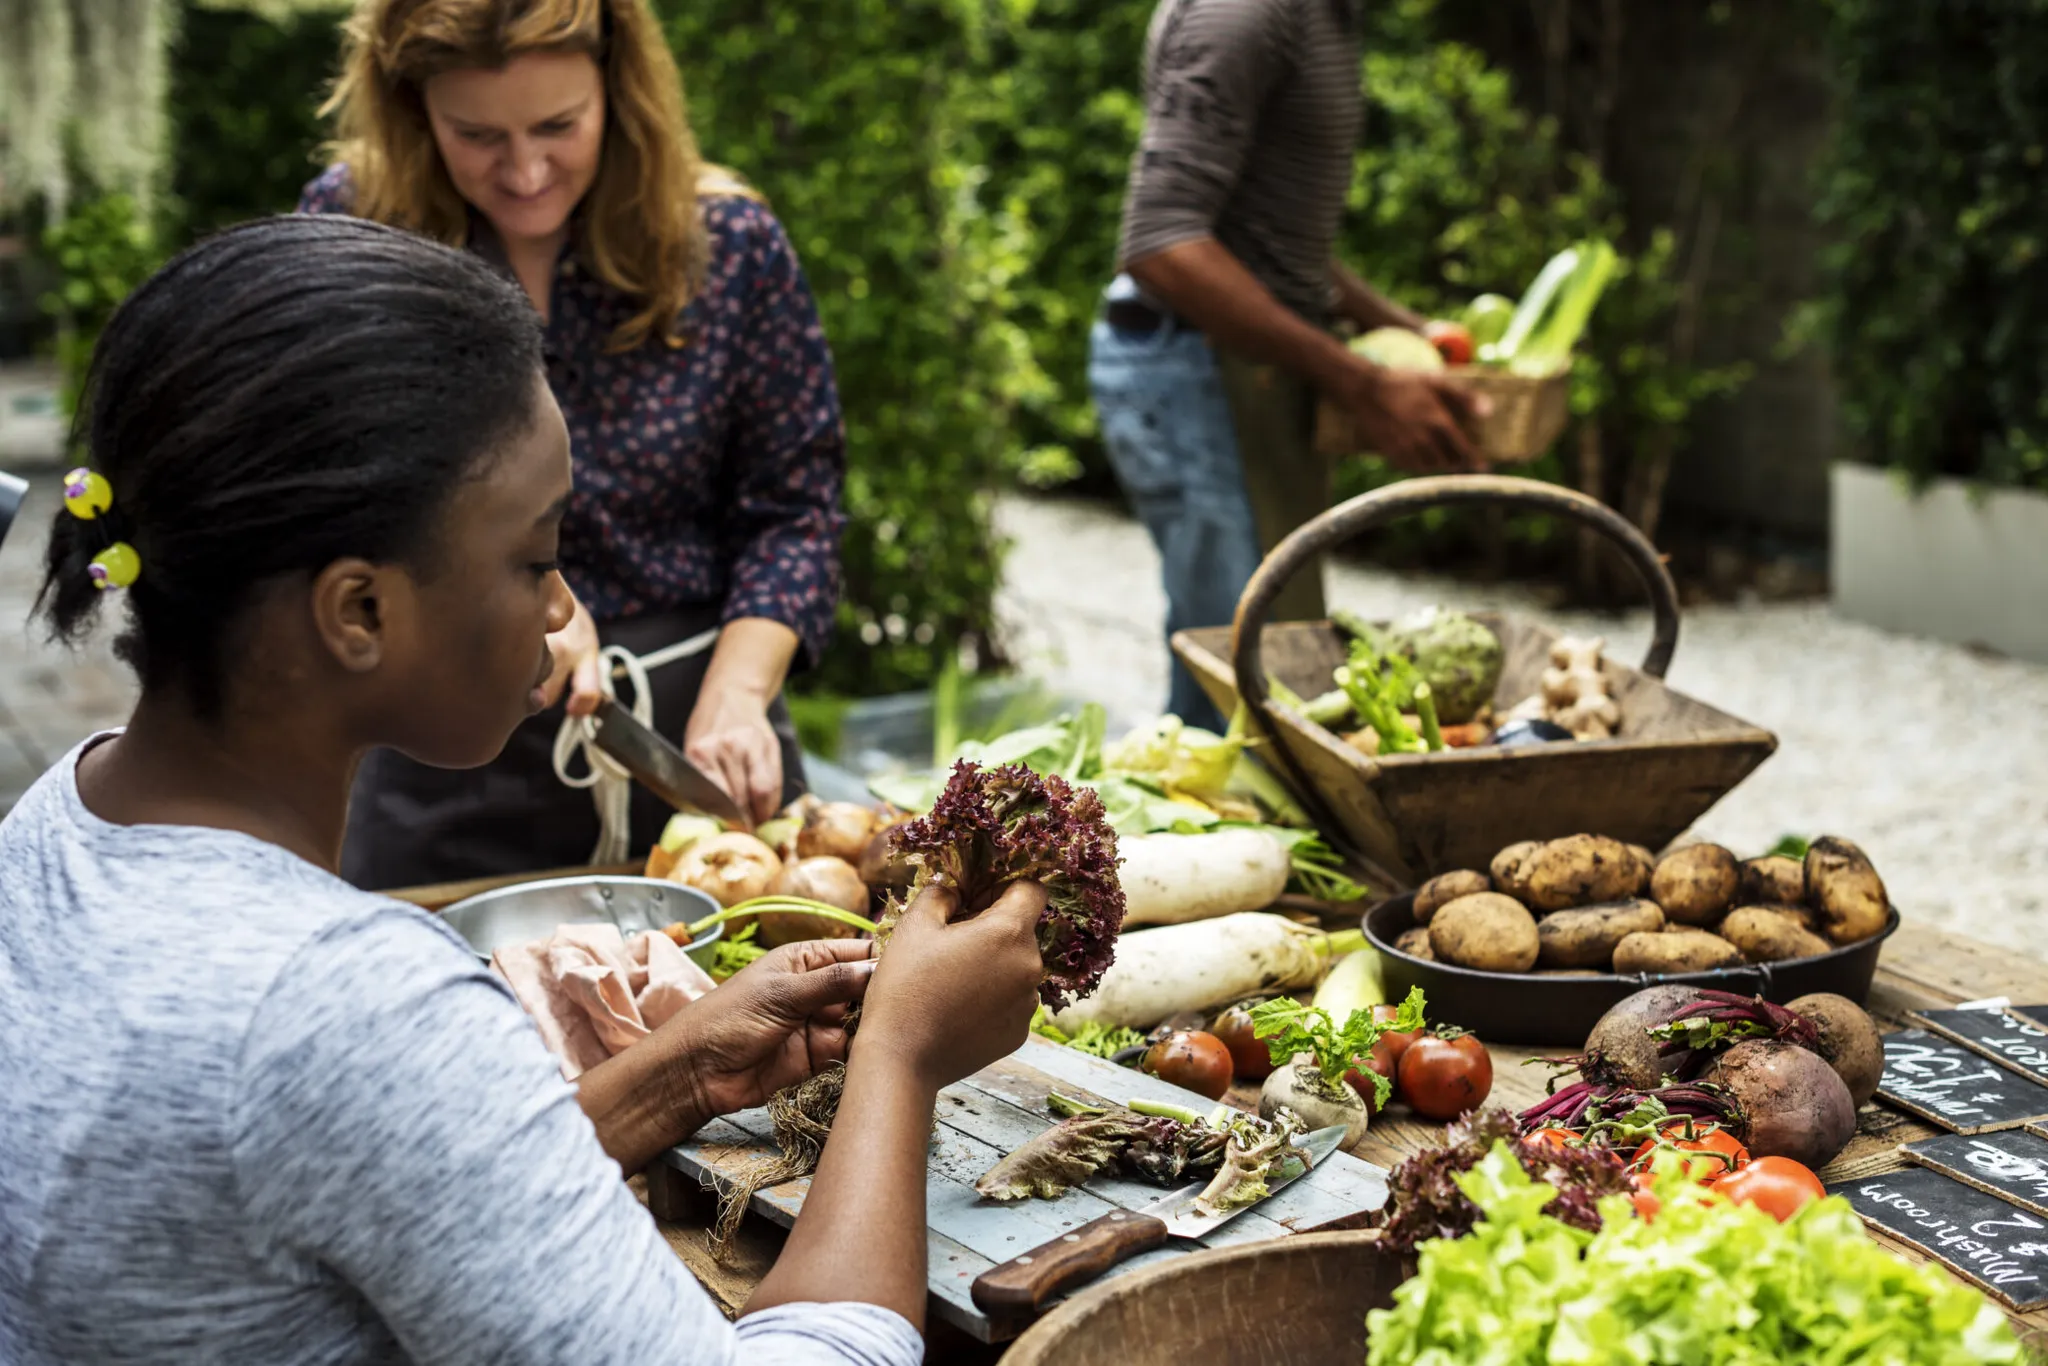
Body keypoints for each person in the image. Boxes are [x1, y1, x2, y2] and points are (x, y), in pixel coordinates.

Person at [0, 215, 1046, 1365]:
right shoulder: (348, 1006)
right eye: (536, 556)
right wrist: (899, 1060)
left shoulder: (62, 817)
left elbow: (391, 1186)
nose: (562, 612)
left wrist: (682, 1071)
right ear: (359, 610)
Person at [300, 0, 844, 887]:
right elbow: (331, 489)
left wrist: (742, 693)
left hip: (700, 743)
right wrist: (514, 593)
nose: (524, 170)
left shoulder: (730, 246)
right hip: (445, 738)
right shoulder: (357, 231)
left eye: (560, 124)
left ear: (620, 93)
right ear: (411, 109)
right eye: (475, 134)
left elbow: (796, 512)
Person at [1091, 0, 1487, 730]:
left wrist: (1411, 333)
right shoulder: (1245, 11)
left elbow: (1274, 245)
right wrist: (1364, 384)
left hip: (1242, 369)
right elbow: (1162, 245)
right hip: (1193, 369)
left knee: (1267, 659)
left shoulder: (1322, 15)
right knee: (1242, 677)